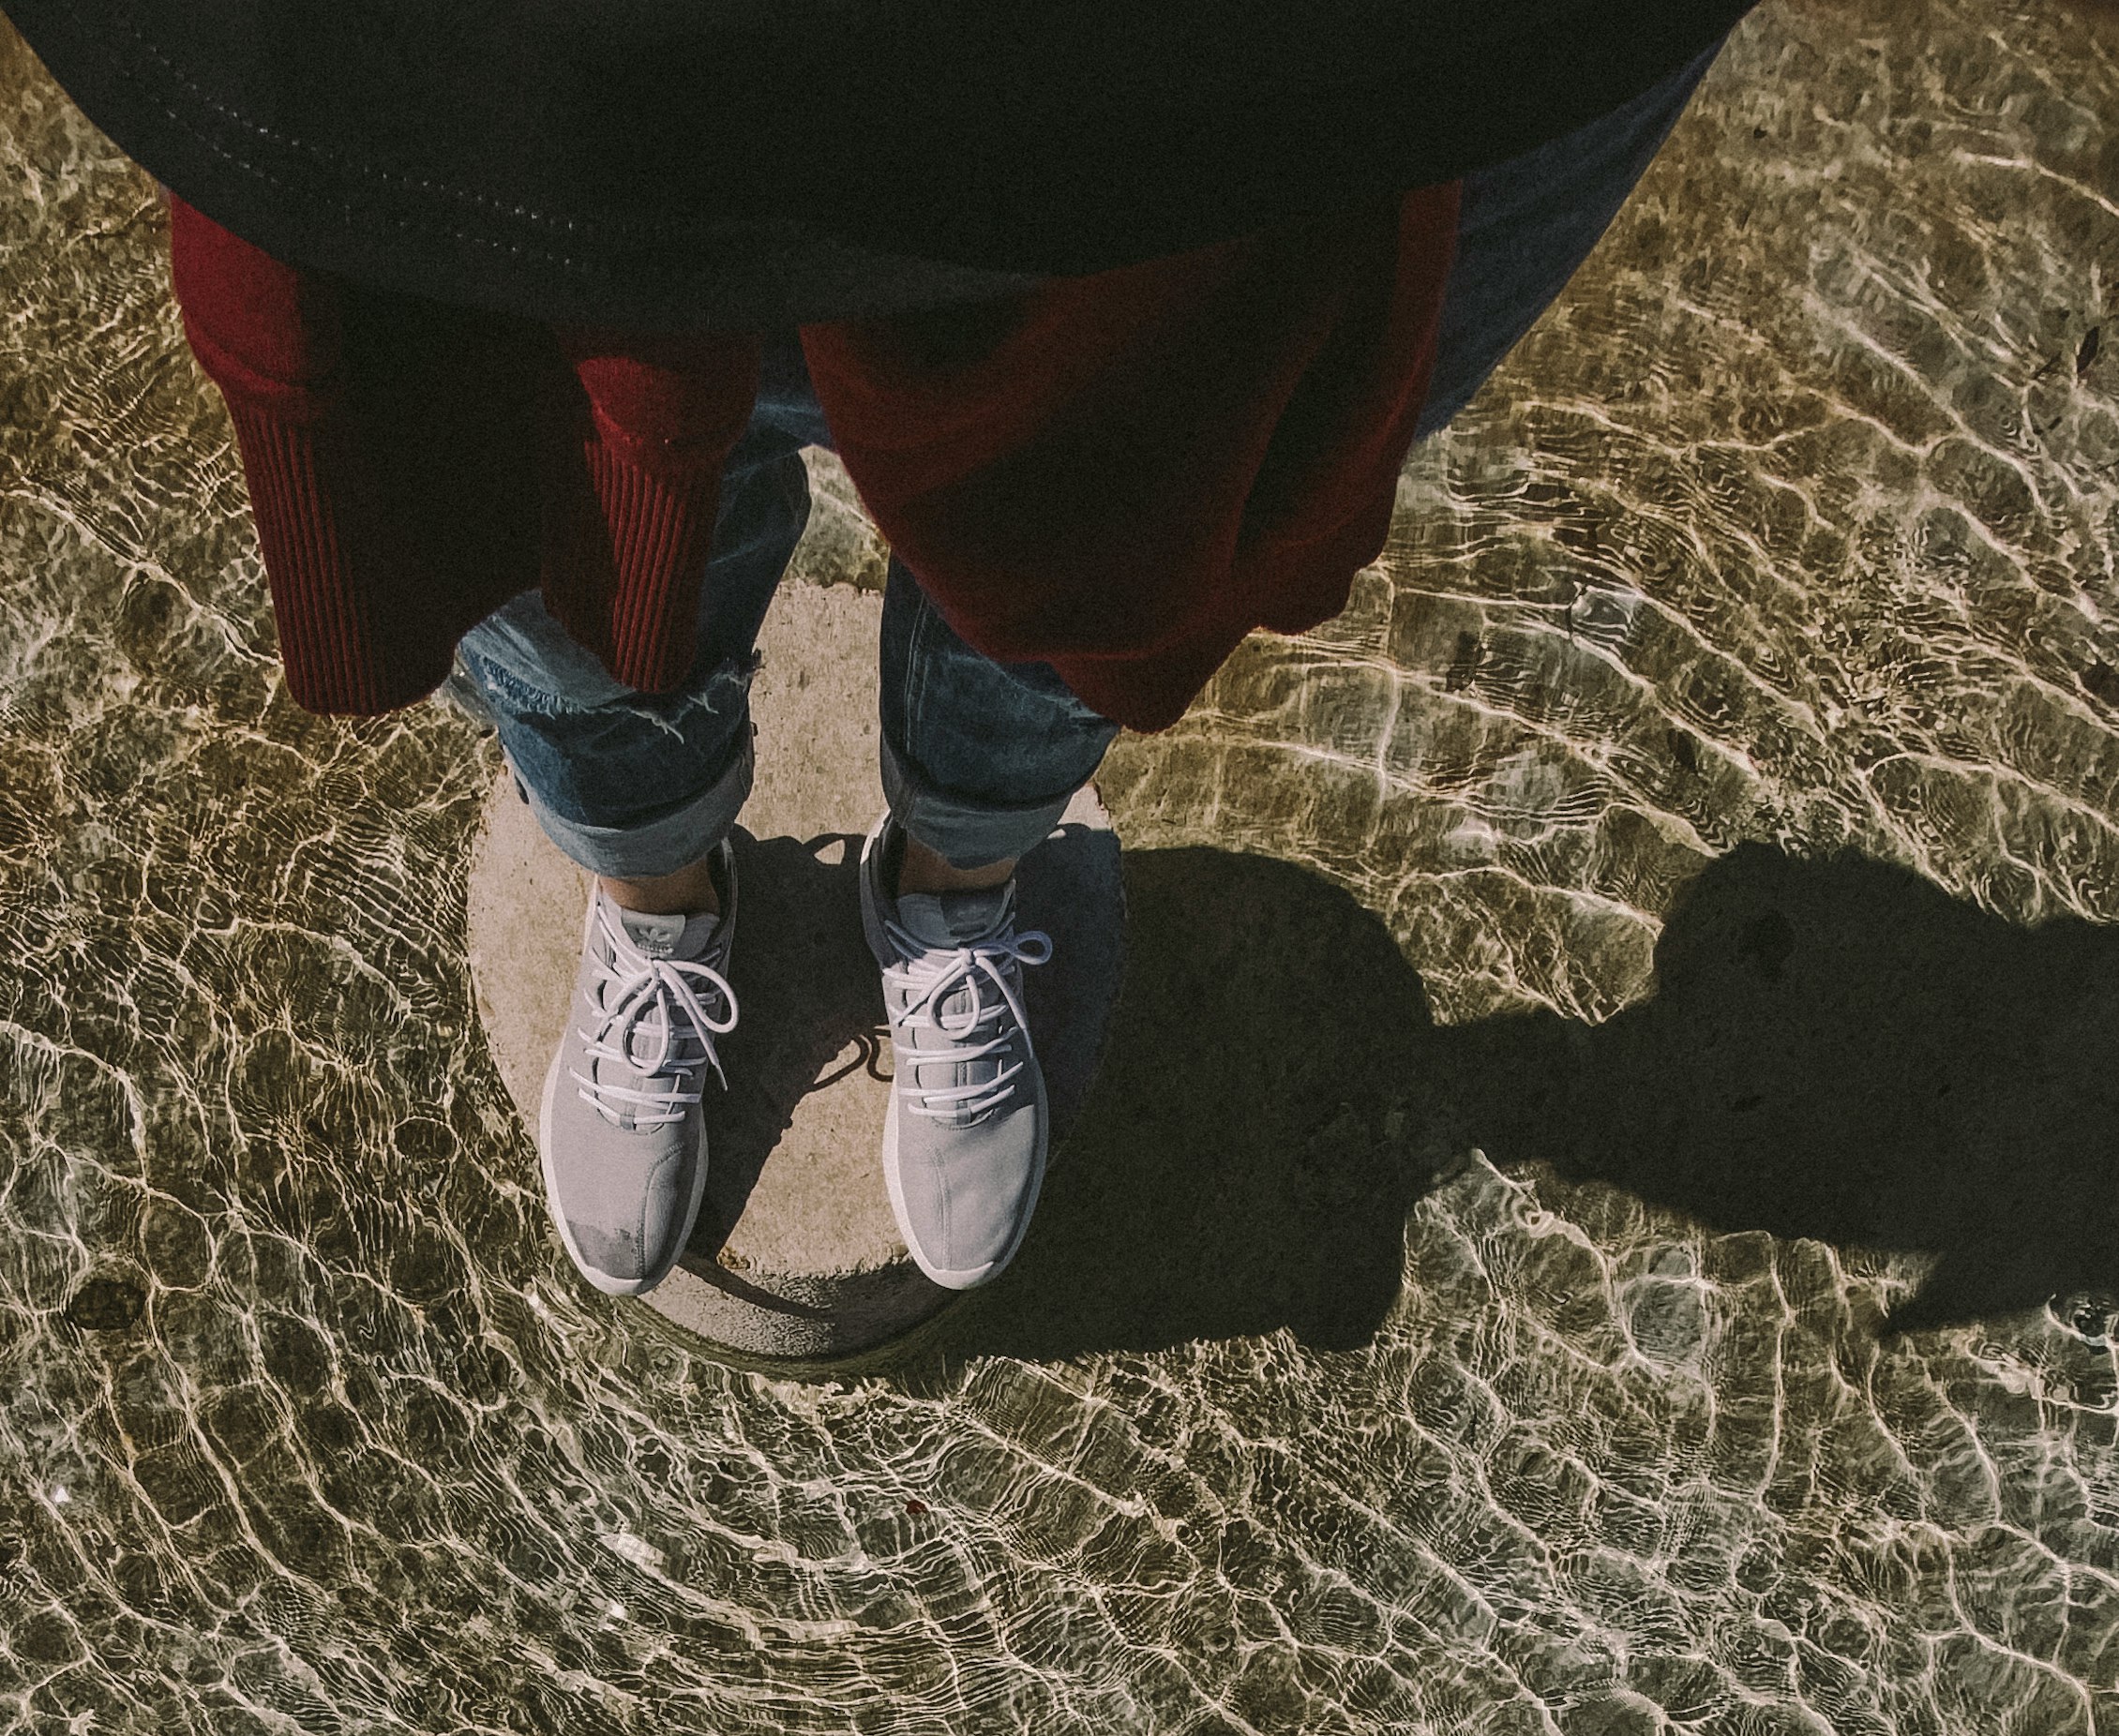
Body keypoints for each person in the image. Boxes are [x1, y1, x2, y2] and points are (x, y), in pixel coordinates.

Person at [16, 3, 1746, 1314]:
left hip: (1216, 96)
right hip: (504, 85)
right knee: (543, 516)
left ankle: (951, 893)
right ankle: (659, 902)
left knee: (1122, 526)